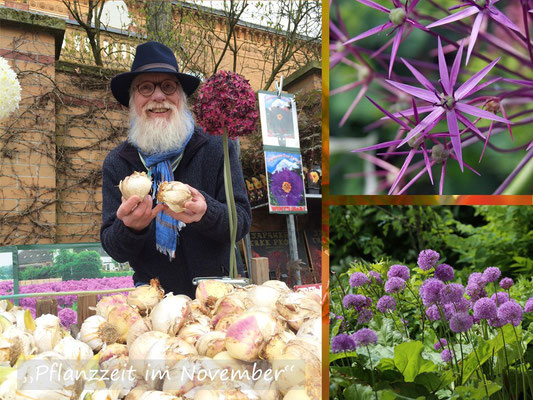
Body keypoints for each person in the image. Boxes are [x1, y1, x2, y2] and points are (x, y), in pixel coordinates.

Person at [100, 41, 251, 298]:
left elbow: (242, 221)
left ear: (181, 97)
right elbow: (115, 248)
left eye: (168, 86)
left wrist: (206, 213)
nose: (158, 97)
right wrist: (130, 228)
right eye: (145, 87)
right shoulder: (118, 163)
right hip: (154, 299)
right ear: (132, 100)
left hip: (216, 293)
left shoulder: (216, 146)